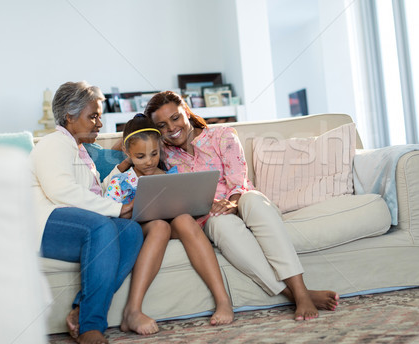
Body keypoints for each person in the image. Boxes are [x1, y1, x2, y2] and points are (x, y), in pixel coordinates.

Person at [144, 91, 340, 321]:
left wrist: (232, 202)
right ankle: (295, 295)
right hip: (212, 217)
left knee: (254, 201)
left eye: (175, 118)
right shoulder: (163, 153)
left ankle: (300, 289)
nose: (171, 127)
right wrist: (144, 124)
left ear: (186, 112)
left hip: (243, 200)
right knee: (220, 224)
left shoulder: (222, 135)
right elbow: (126, 144)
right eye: (162, 125)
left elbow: (239, 180)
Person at [31, 81, 143, 344]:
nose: (99, 124)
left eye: (99, 117)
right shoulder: (54, 143)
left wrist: (124, 168)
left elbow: (93, 194)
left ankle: (81, 309)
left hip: (75, 223)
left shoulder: (80, 152)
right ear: (69, 117)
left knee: (131, 231)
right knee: (101, 226)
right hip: (43, 222)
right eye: (92, 116)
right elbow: (61, 191)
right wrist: (117, 208)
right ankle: (90, 327)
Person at [106, 114, 234, 335]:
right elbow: (111, 217)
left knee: (184, 220)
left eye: (154, 154)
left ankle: (223, 300)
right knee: (159, 226)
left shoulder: (169, 175)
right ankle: (132, 310)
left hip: (169, 221)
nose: (148, 161)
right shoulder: (120, 182)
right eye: (140, 156)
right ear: (127, 154)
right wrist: (133, 207)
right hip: (140, 227)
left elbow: (184, 205)